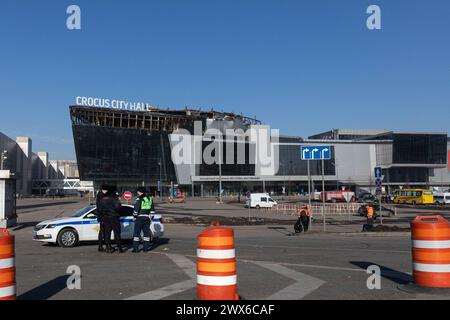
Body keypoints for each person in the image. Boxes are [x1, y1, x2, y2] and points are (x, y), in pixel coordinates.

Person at [97, 184, 123, 253]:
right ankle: (119, 248)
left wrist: (102, 215)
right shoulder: (114, 197)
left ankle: (108, 248)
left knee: (107, 233)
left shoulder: (102, 198)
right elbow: (118, 207)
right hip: (114, 217)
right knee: (117, 233)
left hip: (106, 218)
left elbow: (99, 209)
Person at [132, 187, 154, 253]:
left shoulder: (139, 199)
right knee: (146, 234)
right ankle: (145, 249)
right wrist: (151, 219)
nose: (137, 193)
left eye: (138, 191)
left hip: (139, 218)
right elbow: (152, 210)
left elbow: (136, 210)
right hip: (147, 218)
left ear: (140, 192)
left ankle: (135, 249)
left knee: (136, 234)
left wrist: (134, 217)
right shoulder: (150, 199)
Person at [95, 185, 108, 252]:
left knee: (102, 232)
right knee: (103, 232)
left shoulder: (99, 196)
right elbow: (100, 208)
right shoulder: (101, 196)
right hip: (103, 217)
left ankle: (101, 246)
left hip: (101, 217)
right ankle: (103, 246)